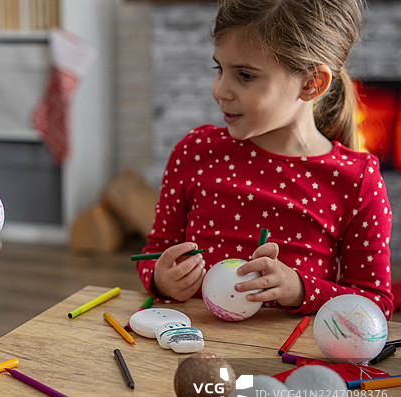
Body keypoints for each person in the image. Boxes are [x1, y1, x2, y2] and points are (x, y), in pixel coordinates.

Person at [136, 0, 393, 318]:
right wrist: (161, 279)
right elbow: (154, 253)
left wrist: (298, 288)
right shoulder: (194, 152)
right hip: (190, 345)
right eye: (219, 69)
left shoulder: (356, 181)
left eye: (244, 75)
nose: (220, 90)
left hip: (284, 359)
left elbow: (374, 303)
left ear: (311, 84)